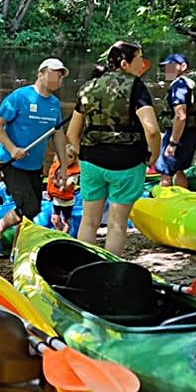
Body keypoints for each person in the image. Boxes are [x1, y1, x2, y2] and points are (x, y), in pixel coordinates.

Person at [67, 41, 160, 256]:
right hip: (127, 163)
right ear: (125, 63)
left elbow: (72, 133)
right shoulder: (136, 87)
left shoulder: (88, 87)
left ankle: (84, 267)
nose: (143, 63)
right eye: (139, 58)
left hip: (91, 161)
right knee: (117, 225)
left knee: (89, 221)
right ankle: (109, 272)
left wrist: (84, 155)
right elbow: (152, 130)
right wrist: (152, 156)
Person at [0, 58, 71, 257]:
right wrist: (13, 148)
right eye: (55, 73)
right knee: (28, 207)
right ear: (41, 73)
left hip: (34, 165)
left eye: (61, 75)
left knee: (31, 211)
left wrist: (64, 168)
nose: (58, 78)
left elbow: (57, 135)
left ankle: (16, 250)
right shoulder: (20, 97)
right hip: (11, 161)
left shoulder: (54, 104)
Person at [156, 52, 196, 188]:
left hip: (179, 134)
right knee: (179, 170)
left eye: (171, 66)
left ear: (183, 66)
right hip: (193, 132)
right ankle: (182, 201)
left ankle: (164, 203)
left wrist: (172, 143)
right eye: (166, 67)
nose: (167, 70)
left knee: (166, 172)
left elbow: (180, 116)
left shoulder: (179, 85)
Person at [46, 142, 80, 233]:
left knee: (66, 220)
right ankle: (60, 232)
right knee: (55, 219)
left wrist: (56, 182)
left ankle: (65, 234)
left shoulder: (74, 174)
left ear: (74, 160)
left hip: (67, 202)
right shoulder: (56, 167)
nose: (66, 159)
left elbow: (68, 187)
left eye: (70, 156)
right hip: (57, 200)